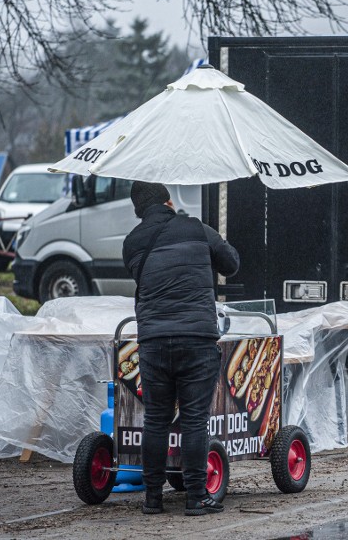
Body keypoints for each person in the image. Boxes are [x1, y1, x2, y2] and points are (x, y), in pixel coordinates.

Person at [123, 181, 240, 516]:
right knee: (193, 420)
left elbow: (144, 279)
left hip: (153, 342)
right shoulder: (195, 228)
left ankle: (152, 499)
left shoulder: (131, 243)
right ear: (169, 201)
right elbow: (231, 263)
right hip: (196, 339)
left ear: (138, 210)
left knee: (156, 420)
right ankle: (196, 497)